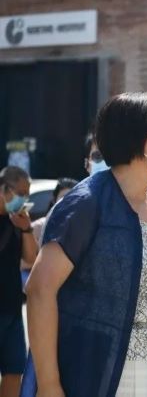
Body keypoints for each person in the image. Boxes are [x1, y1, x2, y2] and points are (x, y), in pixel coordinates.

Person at [20, 92, 147, 397]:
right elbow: (40, 290)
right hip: (94, 368)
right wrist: (49, 384)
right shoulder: (86, 204)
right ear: (138, 135)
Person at [0, 166, 38, 397]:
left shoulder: (18, 220)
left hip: (12, 310)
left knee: (14, 371)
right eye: (21, 193)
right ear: (4, 189)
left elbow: (31, 258)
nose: (24, 199)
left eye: (27, 194)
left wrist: (26, 229)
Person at [20, 178, 78, 285]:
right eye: (63, 197)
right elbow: (23, 262)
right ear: (54, 200)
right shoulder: (39, 227)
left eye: (72, 197)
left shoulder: (84, 227)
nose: (68, 202)